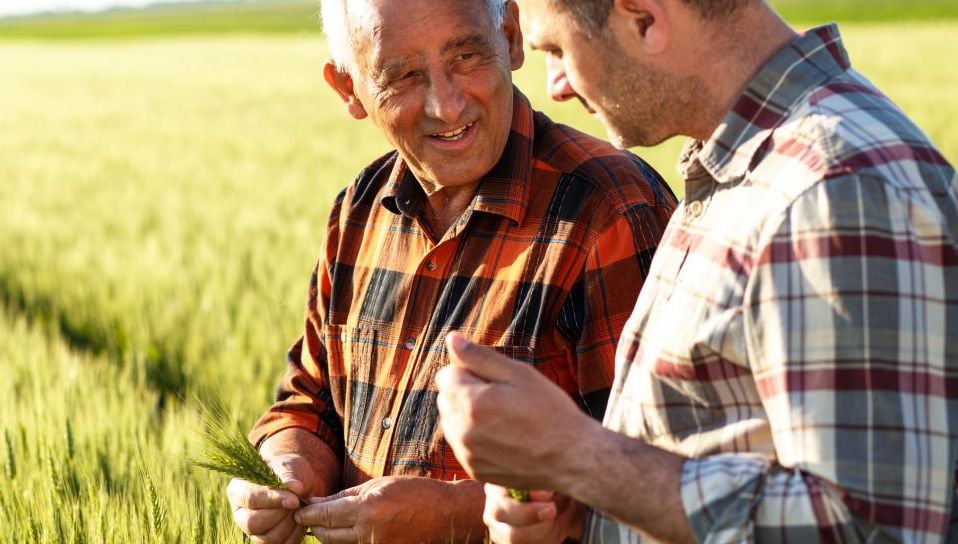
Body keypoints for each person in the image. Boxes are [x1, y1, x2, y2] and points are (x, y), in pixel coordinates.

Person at [435, 0, 958, 542]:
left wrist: (579, 457)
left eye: (558, 50)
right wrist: (585, 508)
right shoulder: (744, 163)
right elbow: (723, 452)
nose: (557, 85)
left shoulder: (833, 189)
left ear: (643, 18)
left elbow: (867, 528)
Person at [225, 0, 677, 542]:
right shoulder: (358, 211)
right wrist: (287, 468)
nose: (447, 104)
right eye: (404, 77)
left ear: (510, 36)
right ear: (348, 90)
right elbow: (309, 398)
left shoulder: (609, 212)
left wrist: (457, 517)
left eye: (466, 56)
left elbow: (662, 482)